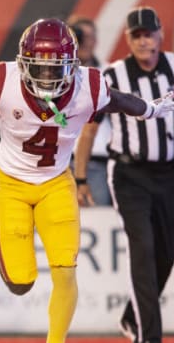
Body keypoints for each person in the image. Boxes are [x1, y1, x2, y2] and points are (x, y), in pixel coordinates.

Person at [0, 18, 174, 343]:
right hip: (12, 182)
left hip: (57, 181)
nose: (47, 75)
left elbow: (119, 100)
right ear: (23, 64)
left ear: (73, 65)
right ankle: (7, 248)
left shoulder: (89, 86)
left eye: (55, 67)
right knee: (21, 282)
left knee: (65, 269)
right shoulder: (3, 80)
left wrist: (149, 110)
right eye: (39, 67)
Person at [73, 6, 174, 343]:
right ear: (128, 40)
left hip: (167, 173)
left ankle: (132, 317)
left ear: (160, 34)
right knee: (143, 250)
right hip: (129, 174)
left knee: (166, 254)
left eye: (149, 34)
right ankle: (149, 337)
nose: (145, 41)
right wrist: (81, 177)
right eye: (137, 36)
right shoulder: (113, 76)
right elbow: (89, 131)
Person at [68, 16, 112, 206]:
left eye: (90, 37)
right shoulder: (55, 73)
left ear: (96, 41)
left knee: (98, 220)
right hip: (62, 161)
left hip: (98, 162)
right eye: (80, 36)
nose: (85, 42)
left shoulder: (109, 72)